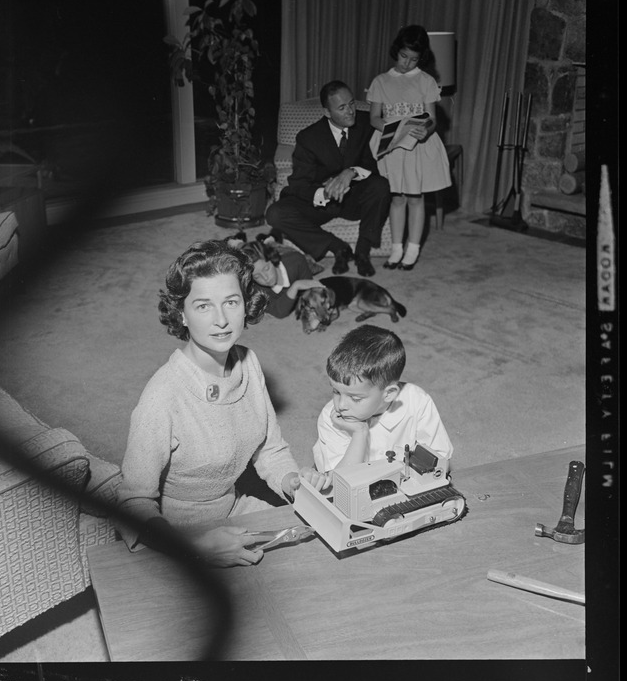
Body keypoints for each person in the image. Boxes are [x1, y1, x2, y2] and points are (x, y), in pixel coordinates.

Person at [116, 239, 328, 567]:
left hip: (231, 508)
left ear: (247, 304)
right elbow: (133, 504)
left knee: (319, 543)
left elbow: (270, 451)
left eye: (231, 302)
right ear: (181, 314)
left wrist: (294, 483)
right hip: (175, 535)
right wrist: (196, 547)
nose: (222, 320)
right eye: (203, 306)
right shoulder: (162, 397)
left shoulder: (248, 362)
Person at [265, 80, 391, 278]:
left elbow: (382, 145)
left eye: (351, 104)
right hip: (321, 202)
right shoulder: (308, 138)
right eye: (342, 108)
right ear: (327, 113)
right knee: (275, 214)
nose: (350, 111)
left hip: (353, 199)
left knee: (380, 185)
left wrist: (350, 172)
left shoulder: (366, 122)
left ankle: (363, 250)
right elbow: (299, 184)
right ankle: (337, 246)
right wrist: (324, 192)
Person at [366, 25, 452, 271]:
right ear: (397, 51)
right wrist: (390, 129)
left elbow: (432, 119)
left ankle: (412, 249)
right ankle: (396, 248)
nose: (407, 63)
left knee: (416, 197)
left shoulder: (426, 81)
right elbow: (374, 118)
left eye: (414, 59)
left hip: (417, 145)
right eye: (404, 56)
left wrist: (426, 129)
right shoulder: (381, 81)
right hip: (392, 144)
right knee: (397, 197)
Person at [312, 324, 453, 474]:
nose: (340, 405)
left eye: (355, 398)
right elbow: (341, 484)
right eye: (336, 391)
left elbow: (441, 462)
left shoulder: (416, 400)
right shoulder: (331, 417)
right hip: (347, 483)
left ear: (389, 394)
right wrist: (360, 433)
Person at [240, 238, 325, 319]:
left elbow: (310, 291)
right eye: (257, 276)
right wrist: (296, 286)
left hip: (286, 255)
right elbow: (279, 312)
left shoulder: (296, 261)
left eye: (266, 269)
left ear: (272, 260)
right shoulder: (255, 289)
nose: (265, 278)